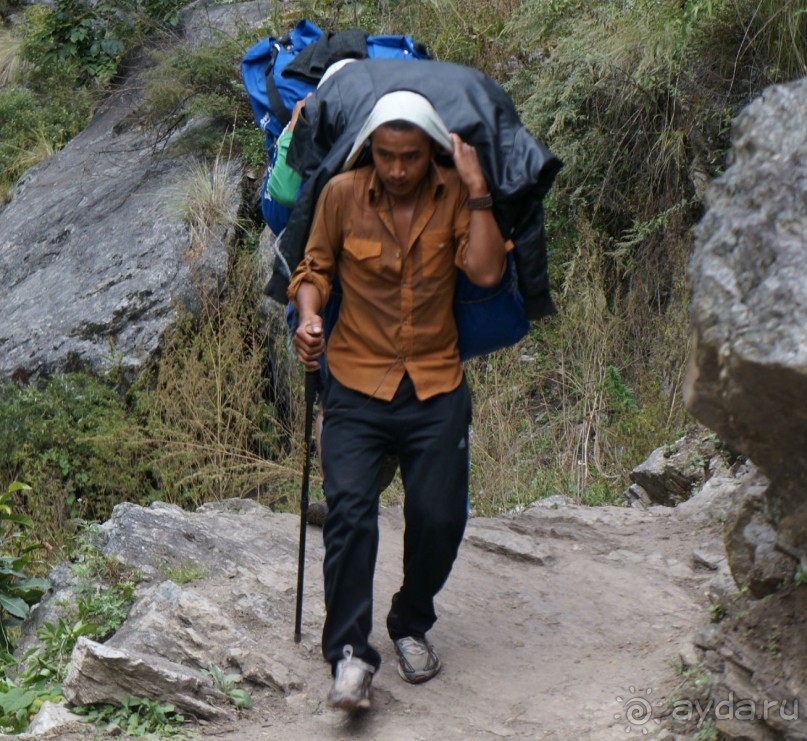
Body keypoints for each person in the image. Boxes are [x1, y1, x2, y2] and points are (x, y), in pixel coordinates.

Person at [287, 90, 507, 713]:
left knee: (440, 518)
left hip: (435, 386)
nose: (399, 169)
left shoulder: (454, 194)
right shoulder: (341, 195)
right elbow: (313, 271)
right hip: (356, 384)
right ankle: (350, 657)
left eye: (411, 156)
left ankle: (410, 620)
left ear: (431, 151)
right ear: (371, 150)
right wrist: (308, 318)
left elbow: (486, 272)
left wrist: (478, 189)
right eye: (386, 156)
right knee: (350, 513)